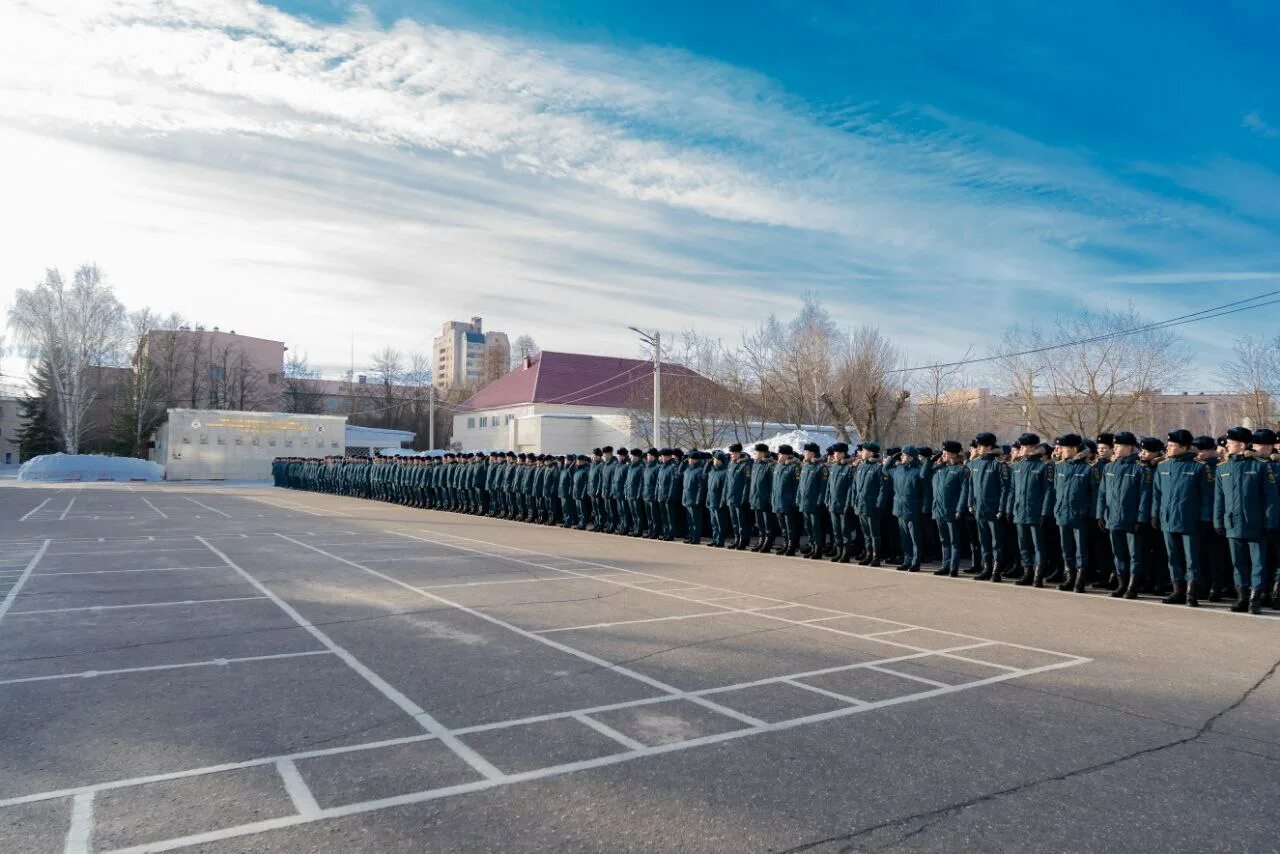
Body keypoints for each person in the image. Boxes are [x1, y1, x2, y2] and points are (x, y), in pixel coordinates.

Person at [1214, 426, 1279, 614]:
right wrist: (1218, 521)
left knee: (1257, 564)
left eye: (1231, 443)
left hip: (1255, 524)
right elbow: (1219, 499)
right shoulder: (1223, 468)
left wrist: (1269, 523)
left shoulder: (1260, 466)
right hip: (1232, 523)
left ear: (1241, 444)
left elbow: (1270, 499)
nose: (1226, 446)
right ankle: (1242, 597)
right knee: (1238, 563)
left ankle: (1255, 598)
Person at [1150, 429, 1213, 606]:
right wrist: (1155, 514)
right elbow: (1157, 494)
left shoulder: (1199, 467)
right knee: (1173, 557)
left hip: (1190, 520)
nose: (1168, 448)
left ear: (1184, 447)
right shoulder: (1163, 466)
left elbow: (1207, 496)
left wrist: (1204, 519)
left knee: (1192, 558)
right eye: (1168, 445)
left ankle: (1191, 592)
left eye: (1172, 445)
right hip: (1168, 519)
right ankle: (1177, 590)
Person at [1097, 431, 1151, 599]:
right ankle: (1122, 583)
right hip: (1113, 517)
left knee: (1134, 554)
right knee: (1118, 553)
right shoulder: (1109, 467)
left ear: (1129, 448)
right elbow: (1102, 493)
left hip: (1131, 519)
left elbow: (1145, 495)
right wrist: (1100, 514)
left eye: (1119, 446)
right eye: (1115, 446)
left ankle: (1132, 586)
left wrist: (1141, 518)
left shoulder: (1141, 469)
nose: (1115, 449)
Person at [1007, 433, 1055, 588]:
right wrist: (1010, 508)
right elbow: (1012, 490)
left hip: (1035, 512)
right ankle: (1027, 572)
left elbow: (1048, 491)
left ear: (1033, 447)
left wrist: (1044, 512)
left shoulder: (1043, 466)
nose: (1021, 449)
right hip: (1020, 511)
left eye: (1024, 446)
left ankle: (1038, 575)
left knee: (1038, 546)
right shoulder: (1017, 466)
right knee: (1024, 545)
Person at [1051, 434, 1097, 593]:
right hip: (1063, 513)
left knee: (1081, 550)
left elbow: (1094, 494)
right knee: (1066, 548)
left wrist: (1090, 514)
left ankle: (1080, 579)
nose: (1061, 451)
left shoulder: (1089, 468)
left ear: (1074, 449)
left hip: (1080, 515)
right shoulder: (1060, 466)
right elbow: (1057, 490)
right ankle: (1069, 576)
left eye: (1064, 448)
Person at [966, 433, 1009, 582]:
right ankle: (987, 567)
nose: (978, 448)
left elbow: (1005, 489)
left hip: (993, 509)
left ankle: (996, 570)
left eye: (981, 446)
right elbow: (971, 486)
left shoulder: (998, 464)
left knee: (996, 542)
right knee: (983, 540)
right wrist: (970, 503)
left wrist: (1001, 509)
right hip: (980, 508)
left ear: (989, 447)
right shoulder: (975, 463)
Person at [930, 440, 968, 577]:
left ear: (953, 454)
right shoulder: (940, 468)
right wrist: (934, 459)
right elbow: (923, 474)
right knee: (944, 540)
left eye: (945, 452)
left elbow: (964, 491)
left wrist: (960, 509)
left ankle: (953, 567)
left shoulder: (961, 470)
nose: (943, 454)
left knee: (954, 541)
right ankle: (945, 566)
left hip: (952, 511)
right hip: (939, 510)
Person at [889, 445, 928, 572]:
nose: (901, 457)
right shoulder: (899, 469)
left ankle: (916, 562)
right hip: (900, 508)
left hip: (913, 509)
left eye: (904, 455)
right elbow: (885, 469)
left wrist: (924, 507)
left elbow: (925, 492)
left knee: (915, 538)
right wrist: (891, 458)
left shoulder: (919, 471)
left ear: (911, 457)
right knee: (904, 537)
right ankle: (907, 560)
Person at [851, 442, 890, 567]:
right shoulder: (861, 467)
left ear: (871, 453)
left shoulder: (879, 468)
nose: (862, 453)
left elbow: (883, 489)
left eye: (864, 451)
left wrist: (879, 504)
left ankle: (875, 557)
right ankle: (868, 555)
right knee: (866, 533)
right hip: (861, 505)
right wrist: (855, 502)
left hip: (872, 506)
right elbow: (855, 487)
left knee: (874, 534)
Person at [798, 443, 829, 559]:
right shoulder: (805, 466)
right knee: (808, 527)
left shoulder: (821, 467)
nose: (804, 454)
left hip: (814, 503)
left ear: (812, 453)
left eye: (806, 452)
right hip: (804, 502)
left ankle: (818, 549)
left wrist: (819, 501)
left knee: (816, 528)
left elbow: (823, 487)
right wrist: (798, 498)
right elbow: (801, 485)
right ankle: (812, 546)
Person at [825, 443, 854, 563]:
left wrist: (847, 504)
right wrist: (827, 499)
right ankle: (839, 551)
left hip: (843, 505)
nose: (834, 455)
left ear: (842, 454)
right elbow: (829, 486)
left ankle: (846, 553)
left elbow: (850, 488)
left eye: (836, 453)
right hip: (833, 504)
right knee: (836, 531)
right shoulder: (834, 467)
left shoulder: (849, 468)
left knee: (844, 531)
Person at [771, 445, 802, 556]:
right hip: (778, 502)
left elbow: (796, 486)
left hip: (788, 502)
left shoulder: (794, 467)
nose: (778, 456)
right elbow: (774, 486)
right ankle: (785, 544)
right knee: (783, 527)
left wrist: (794, 501)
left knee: (790, 527)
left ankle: (791, 546)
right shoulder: (778, 466)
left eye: (780, 454)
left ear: (786, 455)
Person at [724, 443, 753, 550]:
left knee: (742, 522)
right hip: (731, 497)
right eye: (731, 453)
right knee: (734, 521)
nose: (731, 455)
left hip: (740, 498)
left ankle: (743, 540)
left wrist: (744, 498)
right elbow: (728, 482)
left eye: (734, 453)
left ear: (738, 453)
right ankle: (737, 539)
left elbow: (747, 483)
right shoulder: (731, 464)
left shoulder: (745, 465)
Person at [748, 444, 775, 552]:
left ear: (763, 453)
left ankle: (767, 542)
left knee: (767, 523)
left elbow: (772, 484)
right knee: (759, 523)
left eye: (757, 452)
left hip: (765, 499)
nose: (755, 454)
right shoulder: (756, 465)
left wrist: (769, 499)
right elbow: (752, 483)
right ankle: (761, 540)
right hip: (756, 498)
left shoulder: (769, 465)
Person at [682, 451, 708, 545]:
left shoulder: (699, 471)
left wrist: (698, 499)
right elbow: (684, 487)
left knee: (696, 520)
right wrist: (684, 498)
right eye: (689, 459)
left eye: (691, 459)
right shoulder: (687, 471)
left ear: (695, 460)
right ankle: (691, 535)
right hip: (687, 498)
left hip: (694, 499)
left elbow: (701, 488)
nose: (689, 461)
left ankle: (696, 538)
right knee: (690, 520)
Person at [705, 451, 729, 547]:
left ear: (720, 461)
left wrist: (722, 502)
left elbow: (724, 489)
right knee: (713, 523)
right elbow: (709, 488)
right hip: (711, 500)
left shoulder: (724, 473)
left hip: (718, 501)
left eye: (715, 459)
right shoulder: (712, 472)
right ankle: (715, 539)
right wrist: (708, 499)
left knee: (720, 523)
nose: (713, 461)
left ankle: (720, 540)